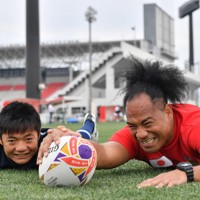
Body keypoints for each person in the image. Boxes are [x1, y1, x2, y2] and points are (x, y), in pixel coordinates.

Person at [38, 55, 200, 188]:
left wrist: (185, 173)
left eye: (148, 123)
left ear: (167, 111)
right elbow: (103, 153)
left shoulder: (192, 127)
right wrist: (69, 142)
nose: (141, 134)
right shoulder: (135, 135)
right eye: (132, 125)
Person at [0, 101, 97, 169]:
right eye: (12, 141)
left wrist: (61, 134)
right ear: (1, 140)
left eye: (28, 139)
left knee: (79, 138)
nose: (21, 148)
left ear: (38, 136)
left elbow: (60, 134)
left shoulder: (48, 143)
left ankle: (90, 123)